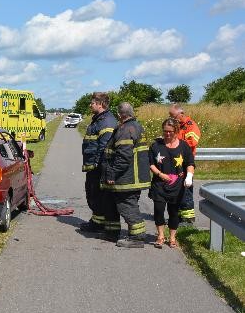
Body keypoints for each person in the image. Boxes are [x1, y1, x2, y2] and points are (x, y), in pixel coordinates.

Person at [101, 102, 151, 248]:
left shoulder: (126, 129)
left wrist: (111, 173)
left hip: (127, 178)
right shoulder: (134, 126)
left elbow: (123, 157)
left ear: (119, 115)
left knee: (126, 205)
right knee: (111, 204)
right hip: (128, 176)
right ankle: (111, 232)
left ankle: (137, 237)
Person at [148, 118, 195, 248]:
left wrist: (189, 176)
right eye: (165, 131)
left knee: (174, 212)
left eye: (170, 132)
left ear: (176, 131)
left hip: (177, 186)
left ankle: (172, 237)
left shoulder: (184, 146)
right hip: (159, 185)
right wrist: (160, 174)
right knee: (158, 210)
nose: (167, 134)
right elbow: (151, 164)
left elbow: (190, 164)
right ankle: (160, 236)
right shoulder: (156, 145)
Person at [79, 92, 117, 233]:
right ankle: (96, 221)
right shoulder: (99, 119)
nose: (90, 105)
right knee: (93, 194)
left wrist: (96, 164)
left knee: (96, 194)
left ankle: (98, 224)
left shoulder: (106, 121)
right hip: (94, 165)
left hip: (98, 166)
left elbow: (104, 146)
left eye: (92, 103)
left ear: (100, 104)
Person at [169, 103, 201, 223]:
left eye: (173, 116)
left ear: (181, 113)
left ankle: (188, 220)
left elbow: (192, 142)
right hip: (176, 162)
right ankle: (178, 216)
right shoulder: (178, 126)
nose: (172, 119)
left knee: (186, 190)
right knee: (176, 189)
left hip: (186, 163)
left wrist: (176, 142)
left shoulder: (190, 125)